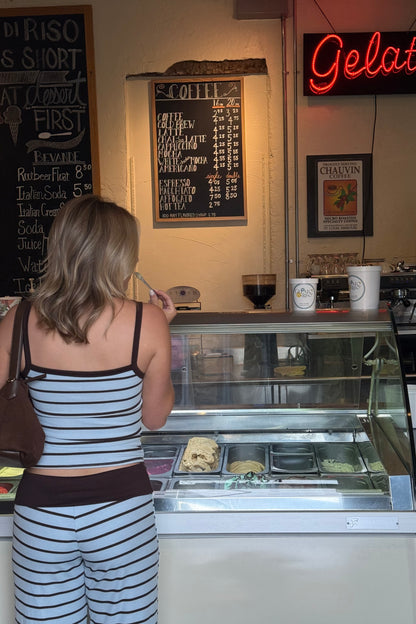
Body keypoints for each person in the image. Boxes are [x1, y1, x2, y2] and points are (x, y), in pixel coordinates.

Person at [0, 194, 177, 624]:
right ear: (121, 256)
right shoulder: (147, 322)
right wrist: (161, 329)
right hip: (121, 513)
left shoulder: (20, 319)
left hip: (42, 512)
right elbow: (153, 418)